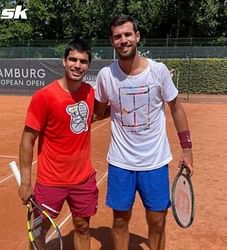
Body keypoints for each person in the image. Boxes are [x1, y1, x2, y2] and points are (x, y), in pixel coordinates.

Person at [93, 15, 193, 250]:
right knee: (119, 219)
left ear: (137, 37)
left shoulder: (158, 71)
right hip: (120, 162)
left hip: (155, 162)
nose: (123, 40)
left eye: (128, 34)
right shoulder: (106, 76)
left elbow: (176, 108)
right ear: (112, 41)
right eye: (118, 36)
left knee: (157, 221)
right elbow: (99, 112)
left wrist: (187, 149)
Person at [17, 38, 98, 250]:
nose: (77, 65)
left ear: (88, 65)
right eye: (73, 59)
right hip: (50, 181)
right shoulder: (44, 97)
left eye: (83, 61)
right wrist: (26, 182)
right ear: (64, 61)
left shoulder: (90, 93)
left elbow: (100, 113)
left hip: (83, 180)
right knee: (38, 230)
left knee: (82, 227)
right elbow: (27, 139)